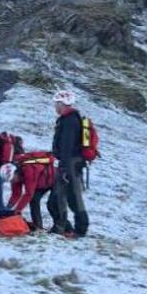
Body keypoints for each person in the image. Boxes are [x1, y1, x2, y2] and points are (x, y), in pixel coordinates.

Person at [50, 90, 90, 237]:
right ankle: (63, 227)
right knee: (60, 198)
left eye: (56, 103)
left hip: (70, 164)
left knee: (73, 199)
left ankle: (80, 230)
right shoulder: (69, 119)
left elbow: (67, 146)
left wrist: (65, 169)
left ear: (62, 103)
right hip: (71, 163)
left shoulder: (69, 121)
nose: (54, 105)